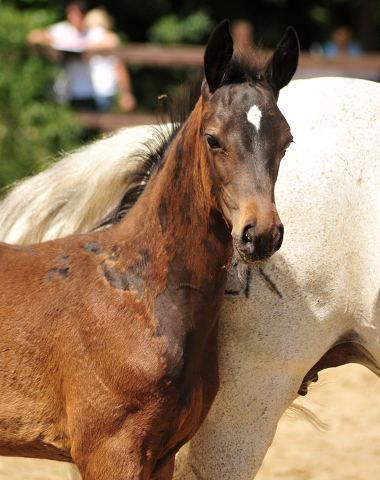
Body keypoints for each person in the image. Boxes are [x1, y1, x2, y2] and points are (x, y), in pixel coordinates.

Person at [27, 1, 136, 112]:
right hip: (70, 92)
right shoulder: (62, 31)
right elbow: (33, 37)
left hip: (97, 92)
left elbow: (113, 43)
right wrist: (58, 42)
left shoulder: (93, 33)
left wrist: (84, 46)